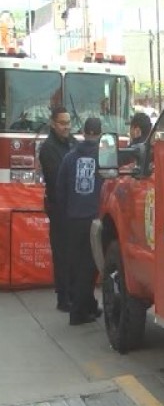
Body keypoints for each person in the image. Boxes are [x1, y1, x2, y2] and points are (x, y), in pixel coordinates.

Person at [56, 117, 104, 326]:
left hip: (73, 219)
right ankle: (78, 313)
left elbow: (60, 190)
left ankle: (84, 306)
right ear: (100, 134)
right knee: (90, 267)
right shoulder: (104, 158)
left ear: (84, 133)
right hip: (94, 219)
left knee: (75, 266)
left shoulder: (69, 158)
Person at [38, 106, 76, 312]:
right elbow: (56, 180)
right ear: (53, 123)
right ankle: (63, 298)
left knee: (75, 254)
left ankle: (74, 294)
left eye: (68, 123)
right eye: (62, 123)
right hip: (59, 208)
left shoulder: (72, 143)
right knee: (62, 254)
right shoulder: (48, 148)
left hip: (75, 209)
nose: (67, 127)